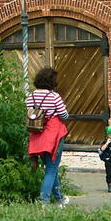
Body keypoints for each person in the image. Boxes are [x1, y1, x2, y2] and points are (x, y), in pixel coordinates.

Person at [25, 67, 70, 205]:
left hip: (37, 135)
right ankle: (43, 201)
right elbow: (64, 115)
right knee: (51, 169)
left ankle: (60, 199)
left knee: (50, 168)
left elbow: (29, 113)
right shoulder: (54, 96)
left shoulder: (30, 96)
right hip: (53, 135)